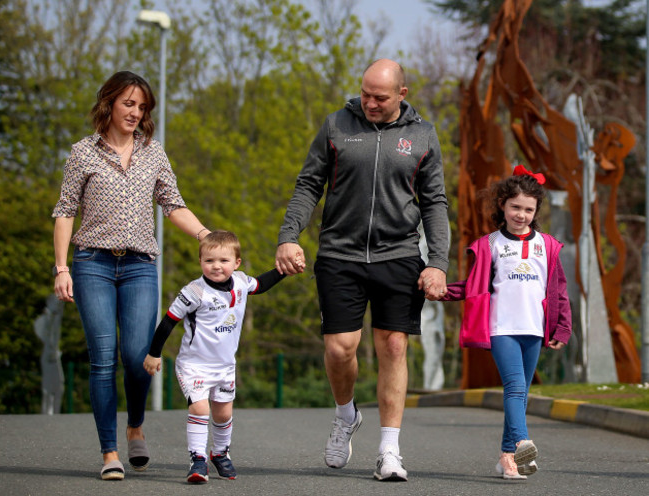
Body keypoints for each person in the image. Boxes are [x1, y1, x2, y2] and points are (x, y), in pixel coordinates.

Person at [275, 59, 450, 482]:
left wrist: (439, 264)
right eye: (365, 93)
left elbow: (435, 202)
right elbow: (309, 184)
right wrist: (288, 235)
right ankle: (345, 414)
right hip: (340, 254)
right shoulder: (337, 124)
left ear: (401, 95)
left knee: (393, 346)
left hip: (400, 255)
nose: (369, 102)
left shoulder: (422, 134)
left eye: (380, 97)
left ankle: (389, 450)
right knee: (340, 348)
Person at [52, 71, 211, 481]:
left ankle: (135, 426)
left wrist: (206, 235)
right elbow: (65, 211)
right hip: (93, 265)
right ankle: (109, 453)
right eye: (128, 104)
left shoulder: (153, 153)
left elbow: (173, 204)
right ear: (108, 103)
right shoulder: (83, 152)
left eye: (141, 107)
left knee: (140, 358)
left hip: (140, 266)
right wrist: (62, 267)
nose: (135, 113)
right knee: (102, 360)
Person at [439, 165, 572, 480]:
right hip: (502, 329)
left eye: (528, 209)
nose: (521, 214)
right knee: (513, 388)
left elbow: (559, 290)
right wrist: (441, 290)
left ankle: (507, 457)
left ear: (536, 210)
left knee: (521, 393)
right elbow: (474, 286)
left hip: (534, 329)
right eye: (515, 207)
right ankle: (523, 442)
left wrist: (562, 328)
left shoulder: (548, 246)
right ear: (503, 206)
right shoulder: (490, 245)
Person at [143, 230, 293, 483]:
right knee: (200, 409)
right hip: (194, 365)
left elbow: (263, 284)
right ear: (200, 262)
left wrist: (285, 270)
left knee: (223, 414)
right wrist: (154, 354)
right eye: (209, 261)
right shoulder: (194, 291)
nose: (216, 266)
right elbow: (169, 322)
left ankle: (220, 454)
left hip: (225, 366)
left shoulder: (242, 282)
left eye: (223, 261)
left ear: (236, 263)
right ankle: (198, 460)